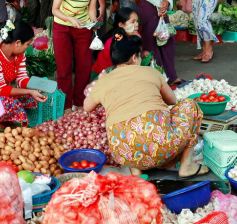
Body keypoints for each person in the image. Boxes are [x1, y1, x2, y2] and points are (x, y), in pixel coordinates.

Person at [84, 28, 208, 177]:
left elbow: (87, 107)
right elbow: (172, 100)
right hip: (162, 147)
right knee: (189, 105)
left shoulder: (102, 82)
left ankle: (135, 169)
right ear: (134, 58)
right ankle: (186, 167)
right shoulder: (151, 72)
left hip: (123, 153)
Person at [0, 20, 47, 134]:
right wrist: (29, 91)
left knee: (30, 97)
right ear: (18, 42)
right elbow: (0, 90)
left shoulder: (19, 55)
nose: (28, 47)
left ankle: (5, 121)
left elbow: (21, 79)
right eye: (27, 44)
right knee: (11, 103)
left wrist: (36, 87)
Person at [52, 0, 101, 110]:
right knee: (64, 68)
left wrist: (93, 21)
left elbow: (91, 8)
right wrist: (69, 19)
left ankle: (80, 104)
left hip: (83, 27)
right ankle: (65, 106)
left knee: (84, 67)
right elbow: (55, 9)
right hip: (62, 26)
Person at [91, 7, 139, 80]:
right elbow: (124, 66)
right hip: (102, 76)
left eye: (137, 21)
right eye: (133, 22)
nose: (137, 24)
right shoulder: (114, 42)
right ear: (121, 25)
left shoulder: (135, 35)